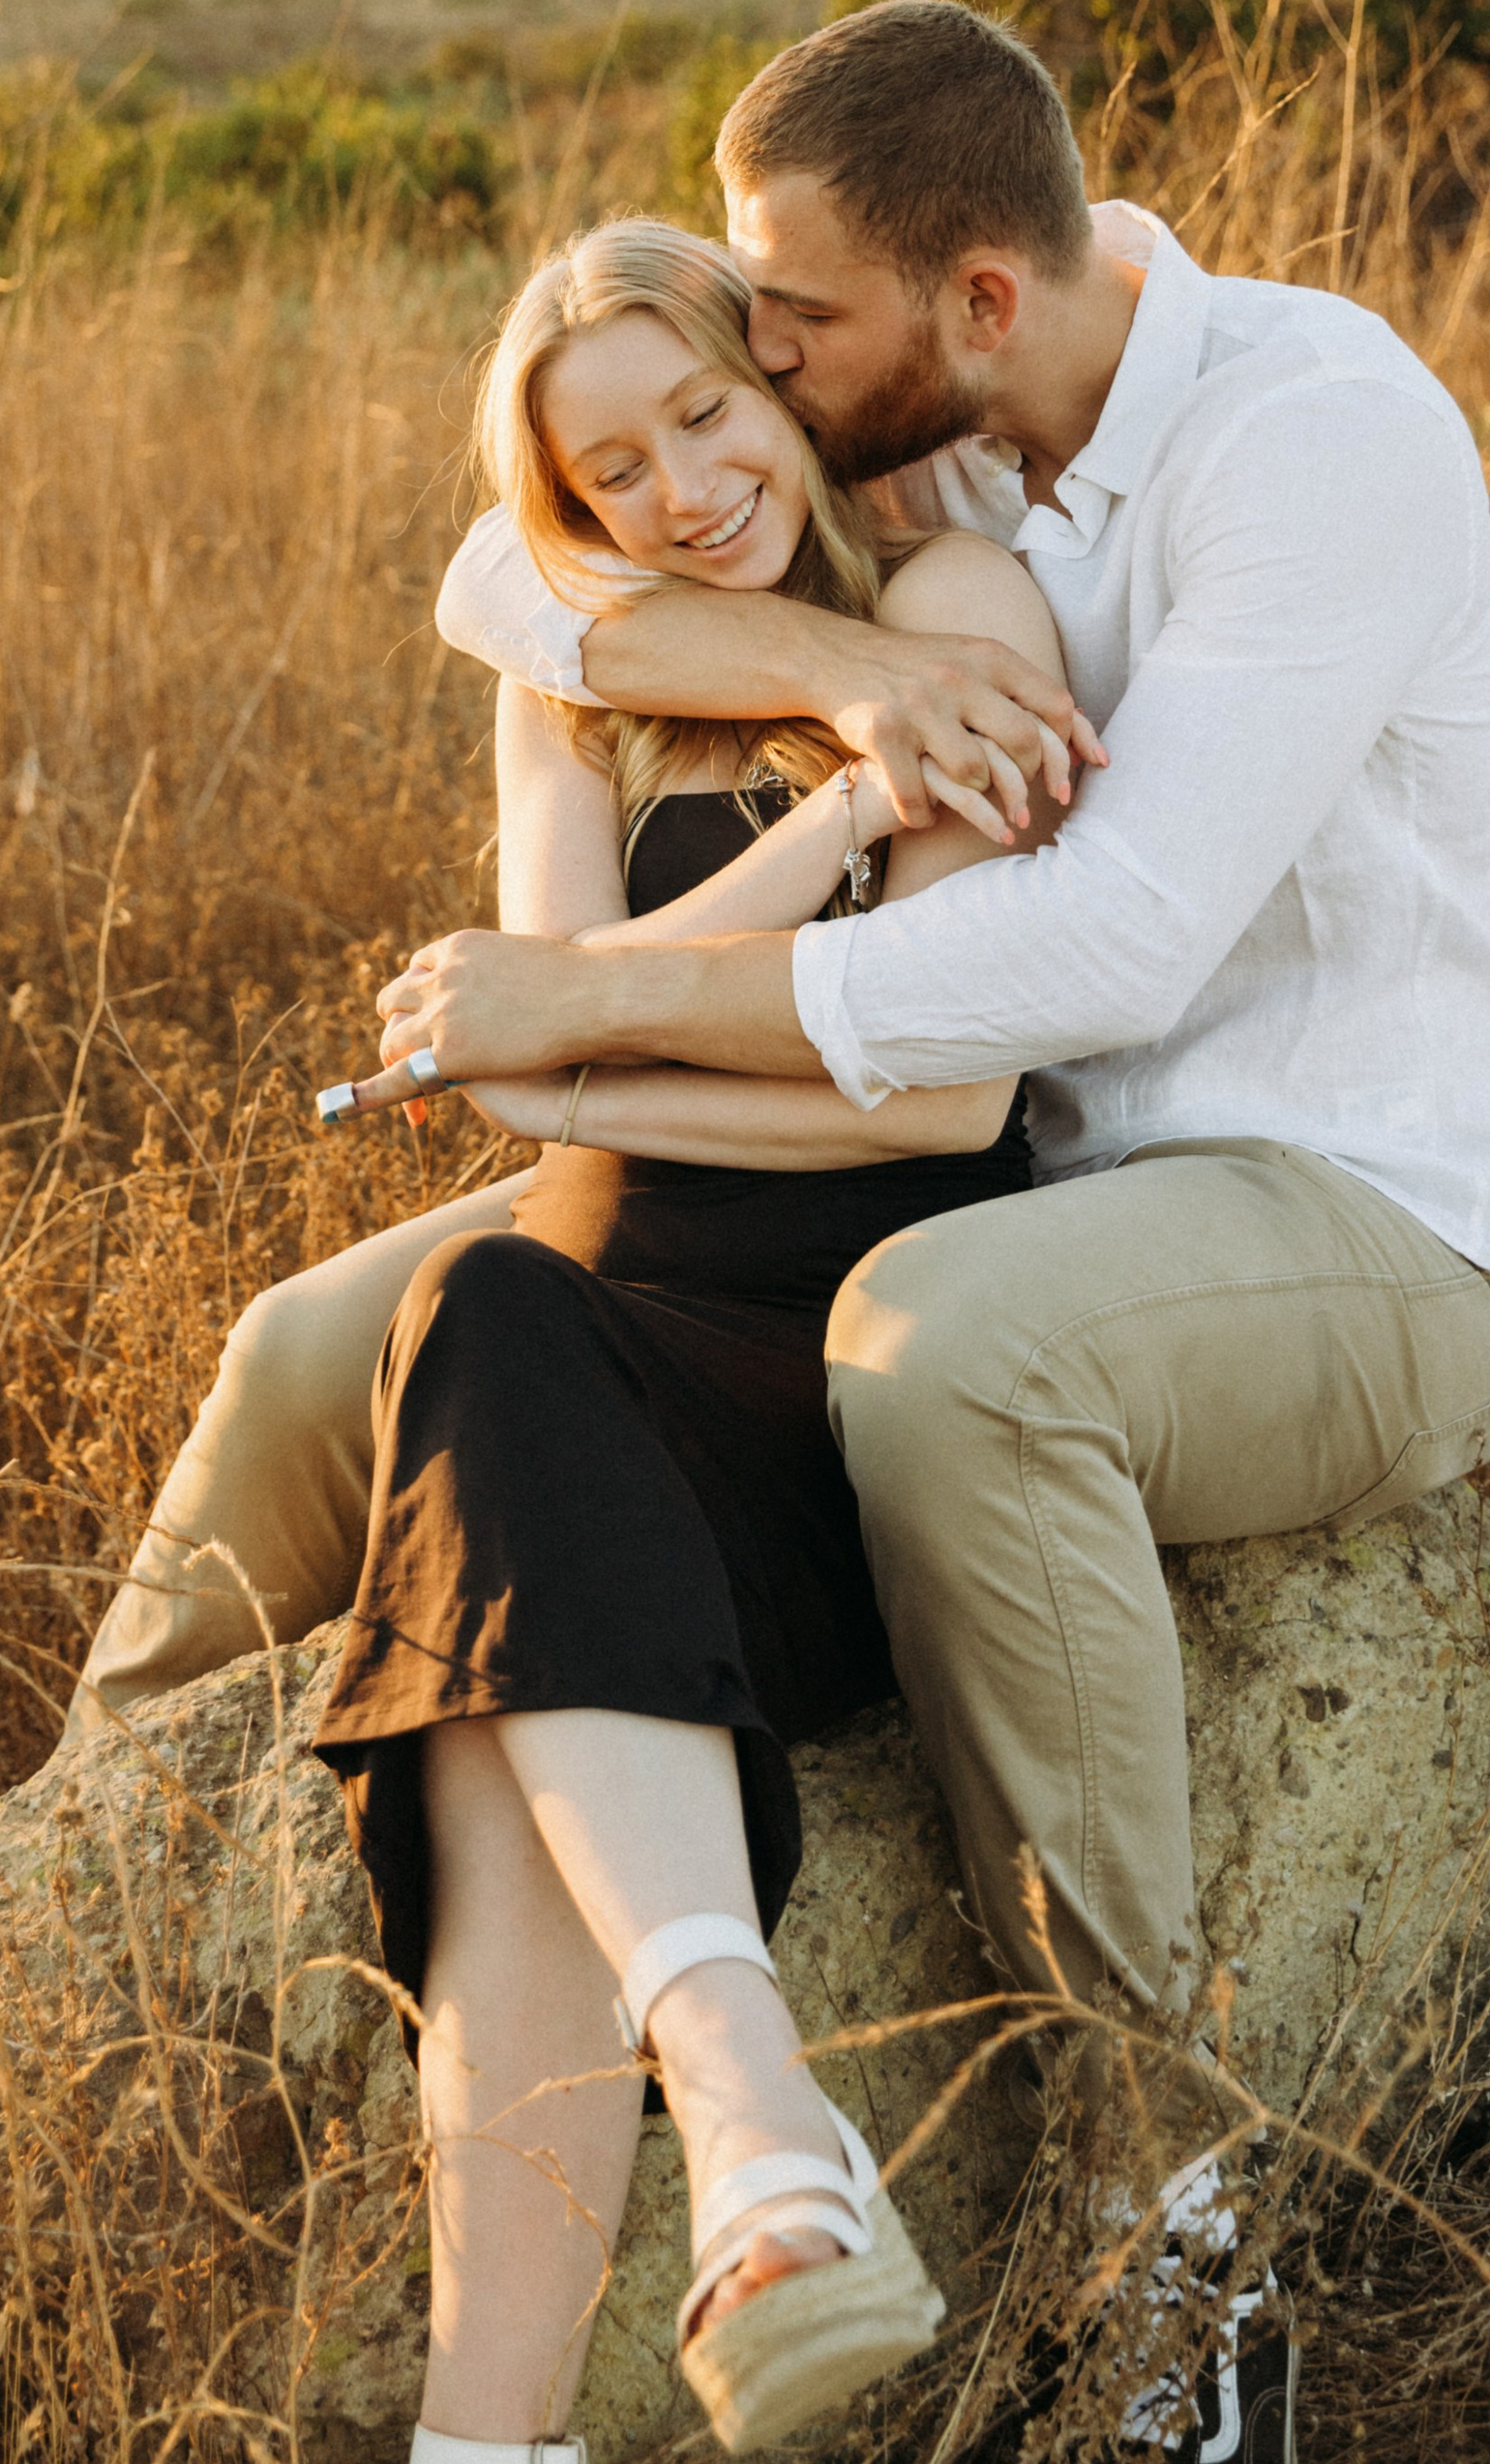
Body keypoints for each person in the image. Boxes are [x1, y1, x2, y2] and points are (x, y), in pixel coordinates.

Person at [78, 0, 1490, 2461]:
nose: (752, 362)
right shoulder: (955, 447)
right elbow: (504, 569)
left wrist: (571, 990)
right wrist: (816, 667)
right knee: (334, 1328)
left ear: (966, 305)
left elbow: (1085, 965)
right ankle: (71, 1885)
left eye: (782, 328)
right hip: (955, 1176)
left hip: (1318, 1207)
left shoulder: (1298, 444)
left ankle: (1175, 2222)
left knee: (938, 1337)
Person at [299, 217, 1062, 2454]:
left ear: (779, 376)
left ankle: (718, 2142)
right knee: (494, 1347)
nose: (677, 485)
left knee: (483, 1451)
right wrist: (834, 813)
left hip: (820, 1359)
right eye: (609, 466)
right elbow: (520, 1067)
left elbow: (941, 1089)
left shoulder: (949, 616)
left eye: (704, 411)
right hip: (584, 1326)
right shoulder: (576, 675)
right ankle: (702, 2176)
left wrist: (583, 1041)